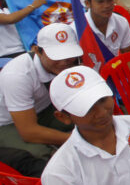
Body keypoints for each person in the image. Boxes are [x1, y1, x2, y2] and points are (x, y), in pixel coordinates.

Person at [0, 23, 82, 159]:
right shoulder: (18, 75)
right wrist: (76, 140)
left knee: (90, 123)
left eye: (69, 55)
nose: (64, 62)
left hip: (43, 110)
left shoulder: (74, 63)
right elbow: (28, 131)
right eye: (56, 56)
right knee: (42, 156)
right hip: (8, 123)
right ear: (37, 51)